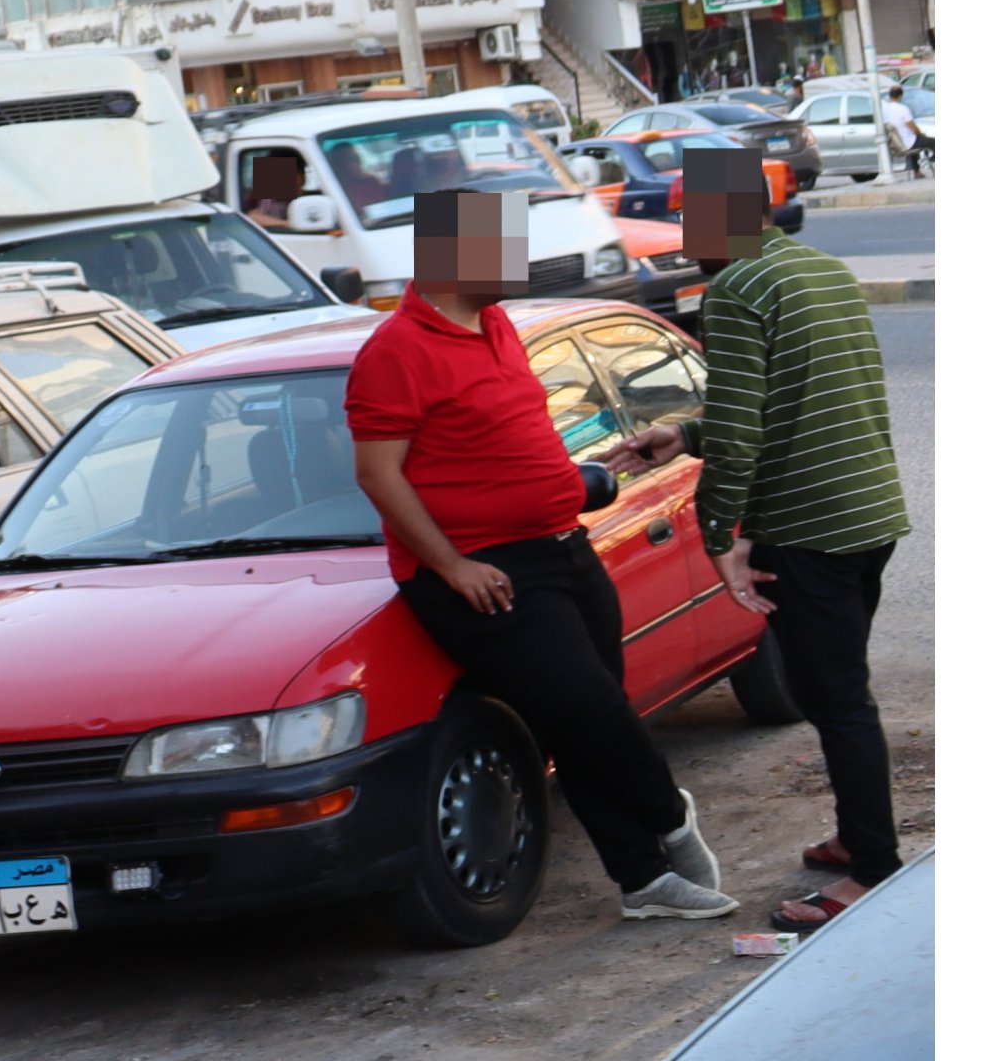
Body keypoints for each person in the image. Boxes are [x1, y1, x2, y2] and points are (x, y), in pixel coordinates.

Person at [345, 189, 738, 922]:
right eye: (500, 248)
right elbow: (377, 474)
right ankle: (668, 815)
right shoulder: (395, 352)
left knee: (586, 724)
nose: (517, 262)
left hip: (565, 548)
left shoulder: (493, 323)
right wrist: (452, 565)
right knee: (590, 711)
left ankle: (644, 884)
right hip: (492, 574)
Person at [598, 178, 911, 933]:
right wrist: (685, 433)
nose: (682, 237)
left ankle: (873, 868)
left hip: (806, 527)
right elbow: (782, 400)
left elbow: (742, 431)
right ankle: (855, 837)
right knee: (833, 690)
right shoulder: (820, 269)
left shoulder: (735, 289)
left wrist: (720, 542)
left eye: (689, 219)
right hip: (869, 514)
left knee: (837, 702)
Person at [884, 85, 933, 178]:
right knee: (931, 141)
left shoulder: (884, 109)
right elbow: (913, 127)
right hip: (907, 142)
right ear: (900, 96)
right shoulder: (902, 108)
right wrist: (920, 134)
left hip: (895, 143)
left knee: (916, 141)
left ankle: (916, 172)